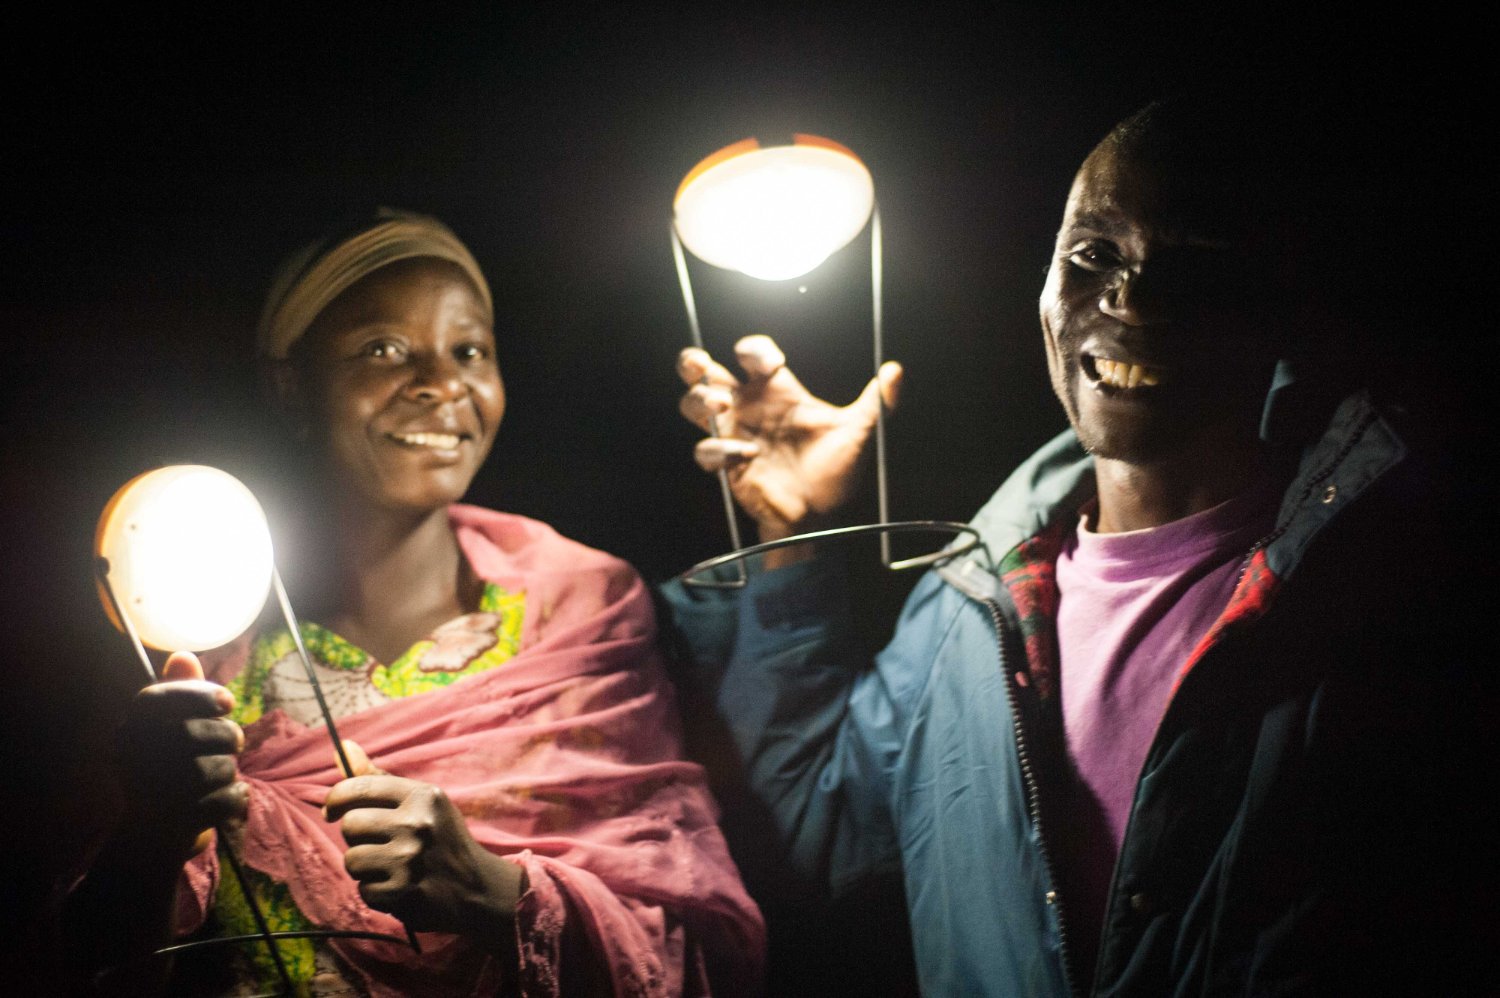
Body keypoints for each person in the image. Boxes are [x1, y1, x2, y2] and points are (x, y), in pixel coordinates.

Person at [662, 97, 1492, 996]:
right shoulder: (970, 608)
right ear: (1047, 290)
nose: (1131, 298)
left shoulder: (1386, 590)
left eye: (1197, 267)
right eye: (1094, 254)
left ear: (1280, 307)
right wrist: (789, 534)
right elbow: (821, 831)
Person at [64, 209, 765, 996]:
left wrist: (489, 891)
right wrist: (154, 832)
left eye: (470, 351)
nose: (443, 384)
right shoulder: (188, 630)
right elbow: (78, 959)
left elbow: (685, 939)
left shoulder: (584, 610)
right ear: (289, 386)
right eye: (384, 349)